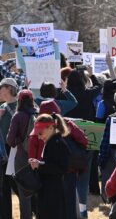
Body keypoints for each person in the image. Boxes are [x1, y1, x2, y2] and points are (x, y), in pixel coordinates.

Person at [65, 67, 102, 217]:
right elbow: (99, 87)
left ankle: (71, 207)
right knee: (85, 173)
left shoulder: (64, 94)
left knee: (69, 173)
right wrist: (92, 75)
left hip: (68, 137)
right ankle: (82, 208)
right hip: (88, 136)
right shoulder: (87, 94)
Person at [28, 113, 70, 219]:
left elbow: (62, 168)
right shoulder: (50, 142)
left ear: (51, 128)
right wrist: (39, 163)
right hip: (47, 189)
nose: (38, 136)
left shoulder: (57, 143)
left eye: (40, 132)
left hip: (53, 192)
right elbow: (50, 163)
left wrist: (40, 165)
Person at [6, 89, 37, 219]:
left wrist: (19, 141)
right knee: (38, 192)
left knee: (24, 195)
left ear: (19, 100)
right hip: (38, 157)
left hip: (21, 159)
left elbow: (9, 140)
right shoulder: (38, 113)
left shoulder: (18, 116)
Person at [0, 78, 18, 219]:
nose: (0, 90)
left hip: (19, 150)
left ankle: (36, 209)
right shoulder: (1, 107)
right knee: (4, 186)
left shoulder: (21, 104)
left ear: (9, 89)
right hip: (5, 151)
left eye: (1, 87)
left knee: (22, 184)